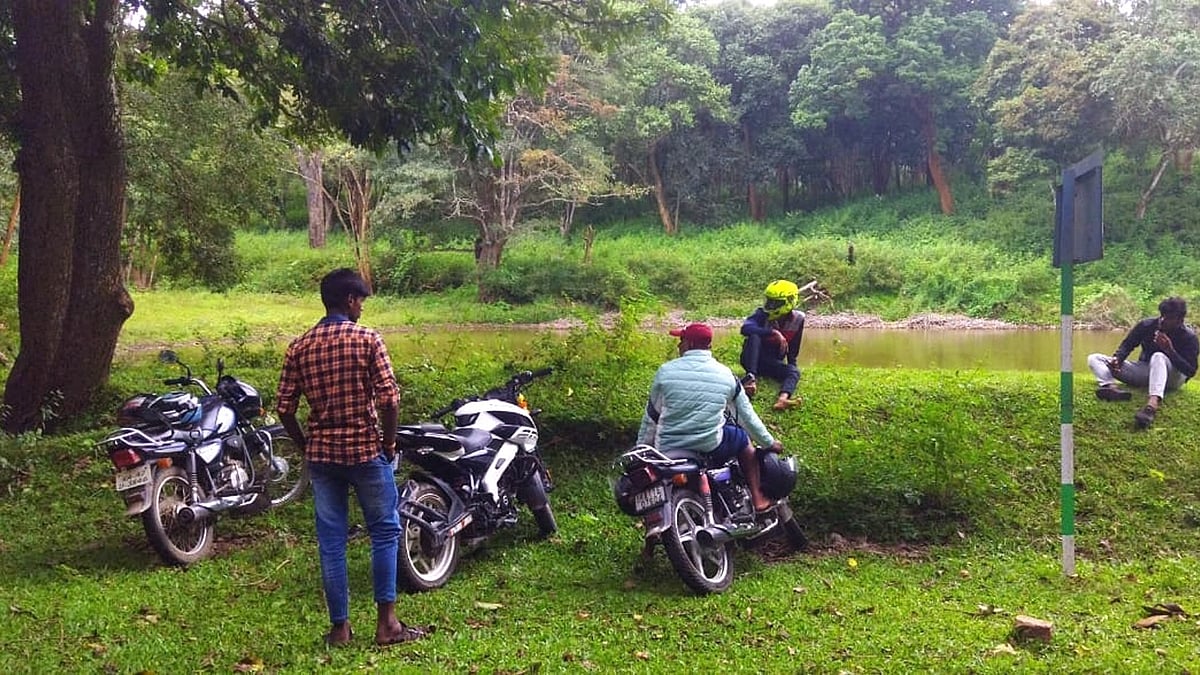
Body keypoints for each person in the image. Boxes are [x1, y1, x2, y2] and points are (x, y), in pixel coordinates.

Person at [276, 268, 429, 647]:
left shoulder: (300, 346)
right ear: (349, 300)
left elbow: (284, 408)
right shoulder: (367, 339)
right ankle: (387, 625)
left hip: (323, 458)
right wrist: (389, 444)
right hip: (364, 450)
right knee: (384, 532)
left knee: (331, 541)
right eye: (360, 300)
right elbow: (390, 399)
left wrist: (304, 446)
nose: (361, 307)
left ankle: (340, 629)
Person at [638, 322, 783, 513]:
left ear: (689, 344)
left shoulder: (665, 371)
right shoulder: (725, 374)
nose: (678, 346)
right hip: (708, 444)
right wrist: (768, 443)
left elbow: (652, 418)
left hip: (668, 448)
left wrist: (642, 450)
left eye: (681, 341)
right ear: (709, 346)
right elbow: (746, 417)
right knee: (742, 438)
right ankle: (758, 499)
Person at [1087, 296, 1198, 429]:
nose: (1163, 320)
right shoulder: (1147, 325)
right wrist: (1118, 359)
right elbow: (1127, 345)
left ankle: (1152, 404)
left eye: (1169, 318)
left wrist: (1169, 351)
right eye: (1162, 316)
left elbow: (1190, 371)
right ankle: (1111, 388)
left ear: (1180, 320)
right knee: (1095, 358)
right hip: (1146, 372)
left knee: (1158, 356)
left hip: (1173, 378)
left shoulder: (1189, 337)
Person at [740, 279, 806, 410]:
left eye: (776, 302)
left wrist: (791, 370)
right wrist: (773, 332)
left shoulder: (799, 319)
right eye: (769, 301)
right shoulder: (761, 314)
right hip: (752, 359)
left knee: (793, 371)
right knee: (754, 336)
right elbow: (745, 329)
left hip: (771, 362)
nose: (771, 305)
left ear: (789, 300)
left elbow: (793, 349)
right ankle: (750, 380)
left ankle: (783, 399)